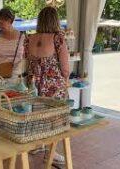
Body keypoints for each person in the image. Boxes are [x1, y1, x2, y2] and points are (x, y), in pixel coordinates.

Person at [24, 6, 70, 164]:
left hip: (34, 85)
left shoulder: (29, 38)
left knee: (38, 117)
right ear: (55, 20)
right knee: (54, 121)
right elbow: (65, 68)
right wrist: (66, 79)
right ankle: (51, 154)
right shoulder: (58, 38)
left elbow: (27, 63)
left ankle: (38, 145)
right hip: (53, 87)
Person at [0, 8, 25, 82]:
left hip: (19, 78)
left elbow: (26, 57)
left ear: (9, 21)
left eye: (1, 23)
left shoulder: (22, 37)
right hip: (1, 78)